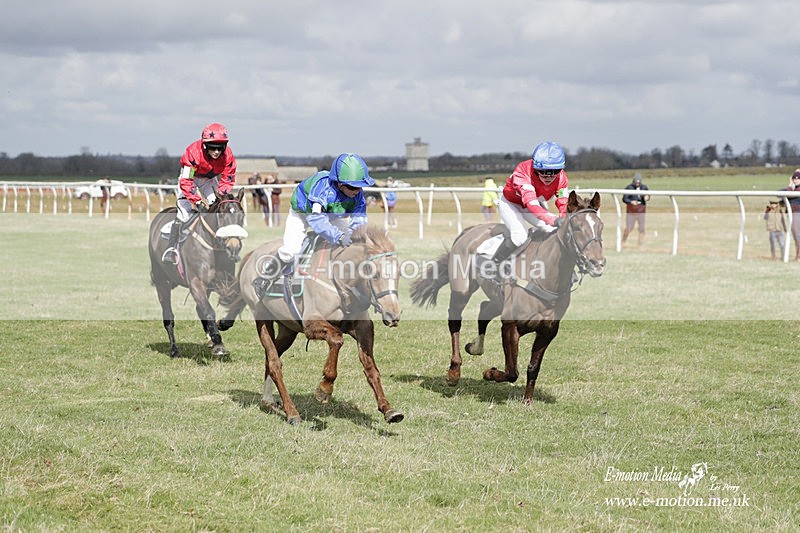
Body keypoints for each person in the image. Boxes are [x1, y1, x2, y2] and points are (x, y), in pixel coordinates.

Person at [254, 153, 374, 292]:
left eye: (360, 187)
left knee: (350, 244)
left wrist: (354, 236)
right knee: (291, 251)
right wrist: (339, 236)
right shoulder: (322, 188)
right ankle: (266, 276)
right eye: (353, 187)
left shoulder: (357, 194)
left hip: (331, 217)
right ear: (340, 184)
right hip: (303, 215)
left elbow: (359, 219)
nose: (357, 191)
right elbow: (317, 220)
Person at [162, 123, 237, 264]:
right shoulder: (192, 154)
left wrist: (222, 196)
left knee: (219, 208)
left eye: (220, 148)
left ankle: (224, 246)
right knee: (184, 214)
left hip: (209, 180)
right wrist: (196, 201)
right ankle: (171, 249)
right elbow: (186, 182)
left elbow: (227, 179)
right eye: (212, 147)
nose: (216, 151)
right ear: (204, 146)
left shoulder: (228, 156)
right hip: (190, 179)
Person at [491, 141, 570, 264]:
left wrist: (564, 218)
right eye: (542, 171)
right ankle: (493, 264)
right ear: (534, 167)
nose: (548, 177)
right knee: (520, 236)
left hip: (534, 205)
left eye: (555, 171)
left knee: (552, 231)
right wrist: (553, 219)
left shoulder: (562, 178)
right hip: (511, 204)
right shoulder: (523, 172)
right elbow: (531, 204)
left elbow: (563, 201)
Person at [622, 173, 650, 247]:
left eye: (639, 182)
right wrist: (631, 202)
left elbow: (648, 196)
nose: (638, 184)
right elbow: (624, 199)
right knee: (628, 228)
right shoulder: (629, 188)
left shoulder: (644, 187)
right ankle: (622, 242)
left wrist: (647, 197)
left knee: (642, 229)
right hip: (631, 212)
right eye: (636, 182)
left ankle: (640, 245)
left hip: (641, 212)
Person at [784, 169, 800, 261]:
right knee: (796, 233)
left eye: (797, 179)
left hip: (797, 213)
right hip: (793, 212)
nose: (795, 180)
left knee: (797, 233)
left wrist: (790, 185)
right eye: (794, 179)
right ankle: (798, 254)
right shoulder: (795, 188)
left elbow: (789, 194)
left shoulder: (796, 189)